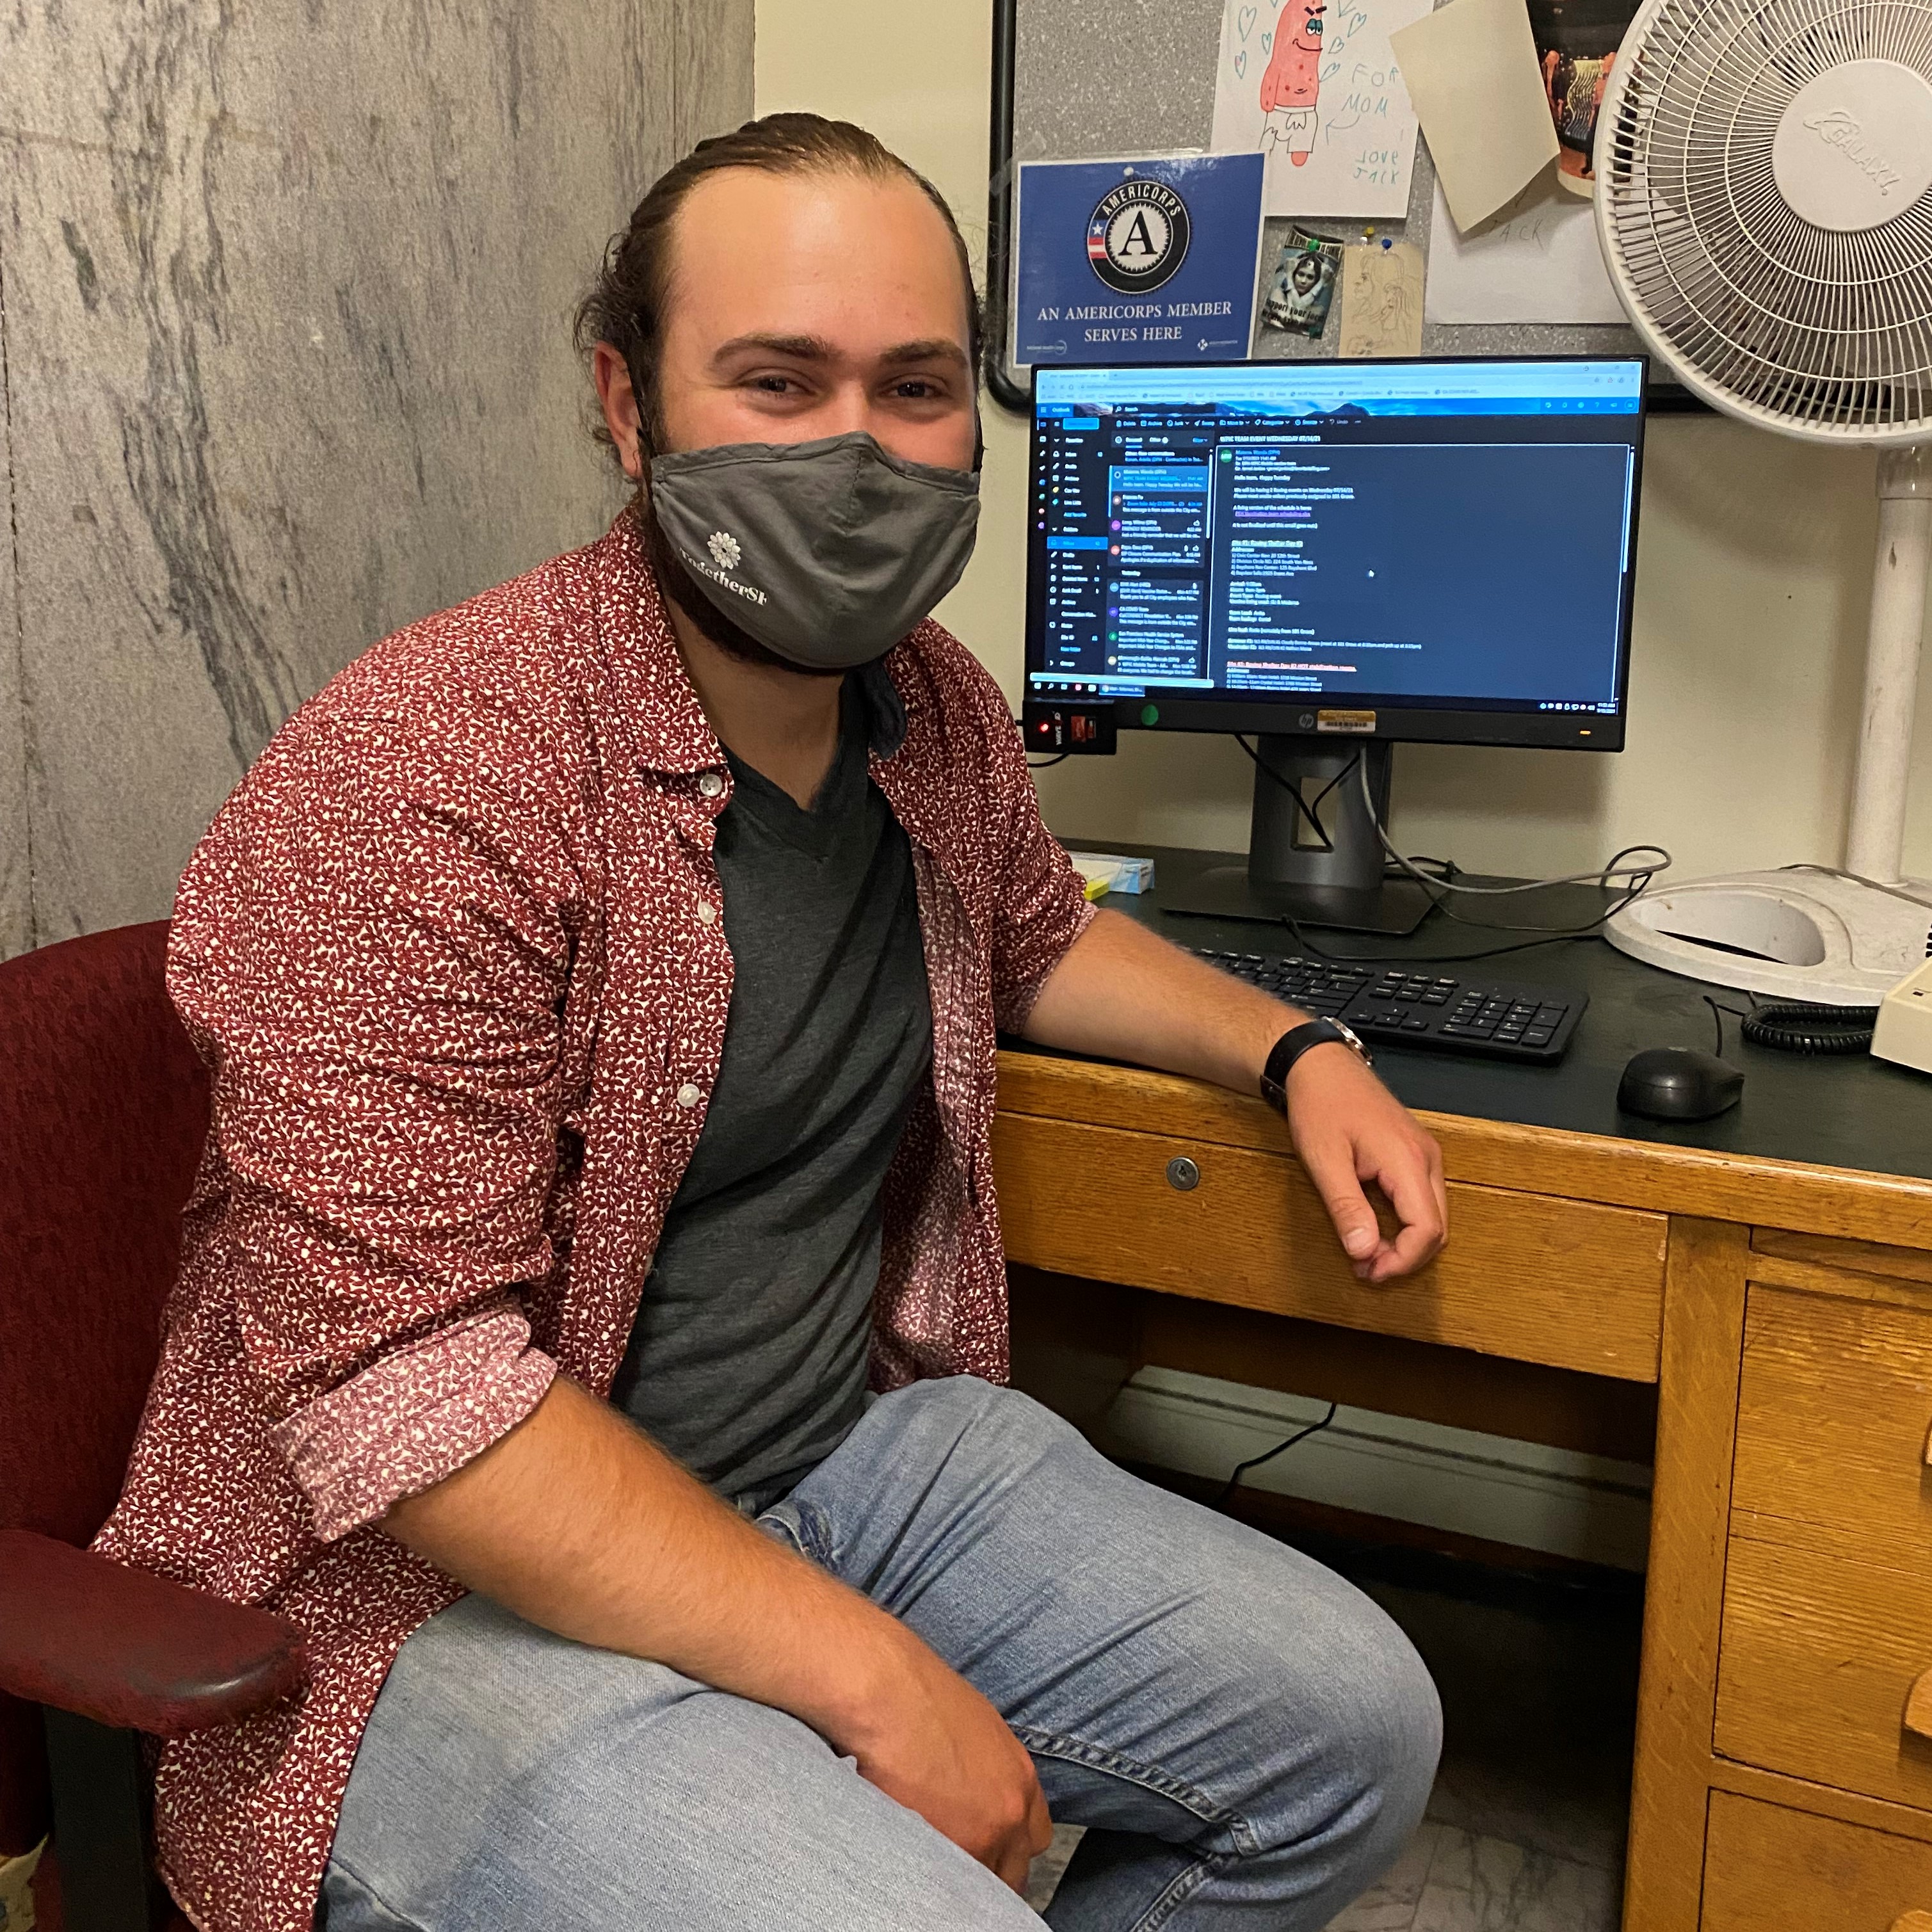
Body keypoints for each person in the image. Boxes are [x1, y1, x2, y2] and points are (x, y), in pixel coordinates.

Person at [94, 113, 1445, 1932]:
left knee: (1352, 1735)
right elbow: (408, 1399)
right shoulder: (423, 773)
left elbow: (1032, 930)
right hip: (414, 1599)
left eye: (914, 388)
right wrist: (874, 1682)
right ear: (628, 403)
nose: (854, 452)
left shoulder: (925, 703)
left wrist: (1297, 1051)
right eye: (778, 381)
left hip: (826, 1456)